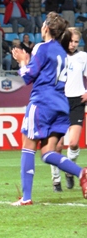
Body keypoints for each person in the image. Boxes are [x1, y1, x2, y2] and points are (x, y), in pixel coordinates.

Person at [11, 12, 87, 206]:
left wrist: (21, 61)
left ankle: (26, 198)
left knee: (28, 148)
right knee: (47, 153)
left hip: (42, 103)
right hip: (61, 105)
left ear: (45, 28)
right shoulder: (62, 52)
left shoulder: (42, 48)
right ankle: (81, 172)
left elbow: (28, 77)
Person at [52, 28, 87, 192]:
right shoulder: (58, 56)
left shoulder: (83, 57)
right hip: (59, 102)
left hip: (77, 102)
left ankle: (69, 170)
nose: (73, 44)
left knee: (72, 143)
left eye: (76, 42)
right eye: (71, 41)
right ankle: (56, 180)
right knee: (57, 146)